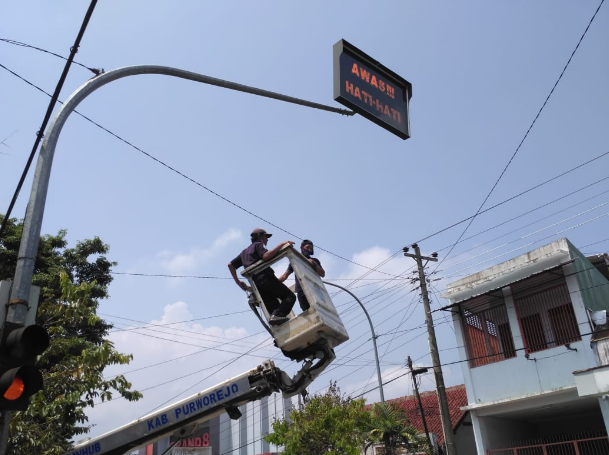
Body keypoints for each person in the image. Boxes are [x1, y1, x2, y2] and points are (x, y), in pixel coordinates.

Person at [228, 228, 296, 326]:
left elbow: (230, 265)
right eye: (266, 236)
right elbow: (266, 256)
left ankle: (278, 327)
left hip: (257, 286)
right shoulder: (258, 244)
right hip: (266, 278)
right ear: (259, 236)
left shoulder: (244, 252)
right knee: (290, 297)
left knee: (275, 311)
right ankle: (277, 318)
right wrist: (282, 244)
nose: (267, 239)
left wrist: (238, 282)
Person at [279, 239, 325, 311]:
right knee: (308, 312)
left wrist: (315, 264)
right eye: (307, 247)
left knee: (320, 310)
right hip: (301, 291)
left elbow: (322, 274)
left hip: (314, 290)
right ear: (302, 247)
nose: (309, 249)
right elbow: (285, 276)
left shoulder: (315, 260)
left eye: (311, 248)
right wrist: (273, 282)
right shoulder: (295, 259)